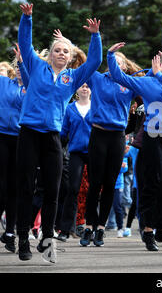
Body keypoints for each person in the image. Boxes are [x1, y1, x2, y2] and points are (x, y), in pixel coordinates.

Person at [16, 3, 102, 262]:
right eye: (57, 50)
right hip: (29, 134)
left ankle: (46, 239)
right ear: (50, 54)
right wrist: (27, 18)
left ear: (71, 56)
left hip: (52, 138)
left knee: (54, 190)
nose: (61, 53)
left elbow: (96, 61)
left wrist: (95, 36)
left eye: (66, 51)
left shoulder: (73, 78)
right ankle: (22, 239)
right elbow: (24, 41)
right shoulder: (35, 65)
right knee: (25, 189)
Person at [107, 44, 162, 251]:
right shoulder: (147, 83)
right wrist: (109, 55)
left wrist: (159, 75)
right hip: (153, 136)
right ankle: (148, 230)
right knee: (153, 183)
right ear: (159, 63)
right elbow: (120, 77)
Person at [79, 50, 140, 248]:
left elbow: (145, 97)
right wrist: (69, 44)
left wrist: (135, 108)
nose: (116, 63)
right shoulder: (98, 79)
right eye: (113, 60)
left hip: (117, 137)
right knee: (95, 183)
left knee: (110, 184)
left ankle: (101, 228)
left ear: (124, 67)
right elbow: (85, 62)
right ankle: (89, 225)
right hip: (98, 134)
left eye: (120, 61)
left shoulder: (128, 83)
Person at [0, 46, 27, 253]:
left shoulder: (32, 89)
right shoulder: (3, 82)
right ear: (15, 69)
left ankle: (11, 232)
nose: (22, 70)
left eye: (26, 67)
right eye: (19, 67)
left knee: (15, 187)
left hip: (22, 139)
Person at [57, 83, 92, 241]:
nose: (85, 88)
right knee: (72, 189)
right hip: (76, 152)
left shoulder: (97, 106)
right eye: (82, 86)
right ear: (77, 89)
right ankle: (65, 230)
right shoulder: (70, 108)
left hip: (94, 152)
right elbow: (63, 133)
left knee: (94, 190)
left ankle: (92, 228)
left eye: (87, 86)